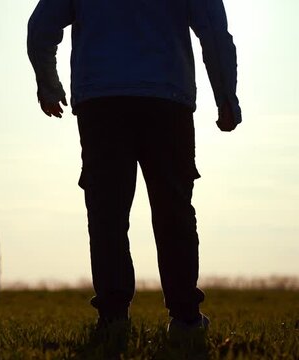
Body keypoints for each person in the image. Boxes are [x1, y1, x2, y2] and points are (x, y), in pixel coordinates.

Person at [27, 0, 241, 335]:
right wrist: (226, 96)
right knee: (174, 211)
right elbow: (213, 32)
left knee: (107, 214)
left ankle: (113, 319)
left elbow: (41, 28)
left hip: (101, 101)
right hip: (167, 99)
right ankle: (185, 318)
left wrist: (48, 82)